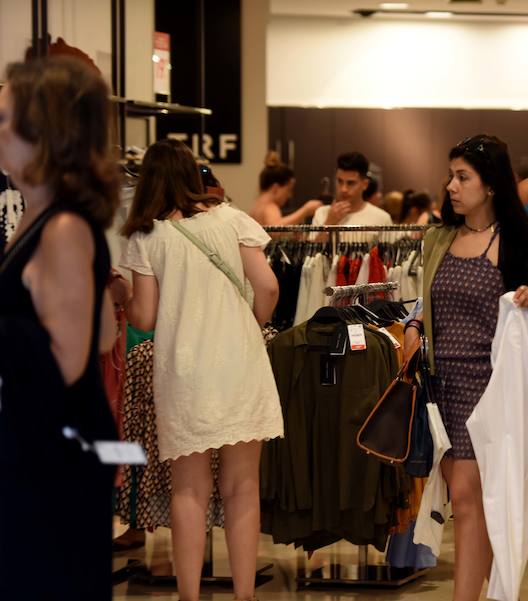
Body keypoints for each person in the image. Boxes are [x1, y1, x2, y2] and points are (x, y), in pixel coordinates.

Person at [120, 139, 284, 601]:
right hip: (240, 367)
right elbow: (268, 287)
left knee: (188, 490)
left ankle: (189, 596)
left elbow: (145, 318)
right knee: (242, 486)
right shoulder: (232, 220)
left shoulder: (147, 236)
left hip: (184, 370)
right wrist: (249, 327)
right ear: (193, 176)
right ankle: (245, 594)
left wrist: (121, 297)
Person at [406, 134, 528, 601]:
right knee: (469, 502)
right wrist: (412, 325)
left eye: (462, 176)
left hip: (488, 389)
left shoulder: (513, 242)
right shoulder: (440, 239)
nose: (451, 185)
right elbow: (422, 300)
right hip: (439, 389)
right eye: (451, 176)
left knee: (468, 501)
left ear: (489, 185)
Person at [0, 56, 120, 599]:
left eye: (7, 120)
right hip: (40, 444)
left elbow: (67, 361)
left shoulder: (64, 227)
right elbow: (102, 335)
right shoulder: (41, 216)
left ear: (47, 133)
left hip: (52, 454)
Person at [311, 151, 393, 242]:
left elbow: (389, 254)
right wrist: (328, 223)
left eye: (351, 183)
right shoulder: (322, 213)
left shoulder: (381, 218)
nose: (343, 189)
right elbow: (313, 253)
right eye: (339, 181)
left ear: (365, 184)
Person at [249, 152, 322, 226]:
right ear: (276, 188)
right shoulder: (270, 207)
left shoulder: (256, 206)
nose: (289, 196)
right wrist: (305, 211)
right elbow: (276, 229)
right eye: (288, 190)